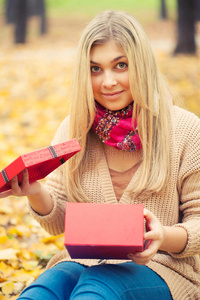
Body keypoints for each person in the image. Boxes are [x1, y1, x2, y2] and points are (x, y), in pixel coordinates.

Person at [1, 10, 200, 300]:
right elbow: (59, 222)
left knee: (94, 291)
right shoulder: (76, 126)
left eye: (121, 66)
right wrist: (35, 192)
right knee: (40, 293)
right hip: (82, 263)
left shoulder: (185, 130)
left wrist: (162, 237)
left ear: (141, 65)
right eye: (95, 69)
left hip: (164, 269)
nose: (107, 82)